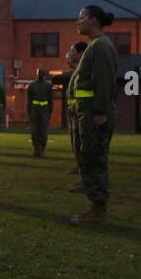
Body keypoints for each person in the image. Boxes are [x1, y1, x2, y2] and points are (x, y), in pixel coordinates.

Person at [68, 6, 117, 226]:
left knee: (94, 158)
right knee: (89, 156)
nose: (77, 23)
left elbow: (104, 81)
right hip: (86, 111)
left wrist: (99, 111)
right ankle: (96, 207)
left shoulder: (100, 46)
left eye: (81, 18)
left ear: (94, 20)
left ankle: (98, 211)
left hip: (93, 113)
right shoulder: (94, 46)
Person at [65, 42, 87, 178]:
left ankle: (84, 170)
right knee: (75, 141)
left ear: (80, 53)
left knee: (81, 142)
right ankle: (80, 166)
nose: (70, 54)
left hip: (81, 111)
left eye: (73, 51)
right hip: (74, 111)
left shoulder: (85, 69)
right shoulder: (77, 70)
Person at [27, 68, 52, 157]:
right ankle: (36, 148)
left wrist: (49, 112)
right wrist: (29, 111)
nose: (40, 74)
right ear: (36, 74)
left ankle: (43, 148)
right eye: (39, 73)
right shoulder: (32, 85)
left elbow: (50, 100)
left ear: (44, 74)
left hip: (44, 110)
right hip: (35, 110)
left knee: (43, 130)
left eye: (42, 73)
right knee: (35, 130)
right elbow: (29, 100)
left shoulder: (48, 86)